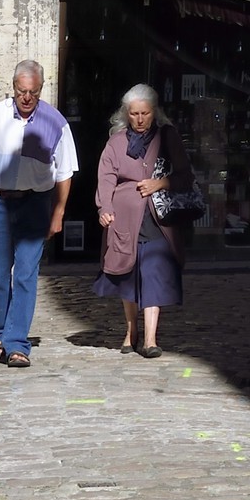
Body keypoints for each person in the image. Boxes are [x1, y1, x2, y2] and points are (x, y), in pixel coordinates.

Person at [0, 59, 78, 369]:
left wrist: (58, 213)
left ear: (41, 90)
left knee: (25, 273)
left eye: (32, 93)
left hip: (35, 203)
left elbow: (65, 173)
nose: (26, 98)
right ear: (13, 88)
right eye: (21, 91)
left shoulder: (56, 122)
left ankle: (17, 343)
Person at [93, 83, 194, 357]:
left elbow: (185, 174)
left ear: (154, 112)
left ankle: (150, 338)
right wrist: (105, 207)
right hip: (124, 219)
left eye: (145, 114)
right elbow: (106, 177)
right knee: (127, 272)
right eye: (134, 114)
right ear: (127, 113)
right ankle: (131, 331)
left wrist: (160, 183)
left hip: (157, 219)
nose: (139, 120)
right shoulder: (116, 142)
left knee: (154, 272)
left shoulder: (167, 137)